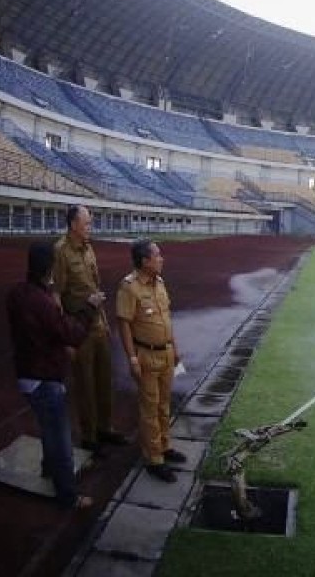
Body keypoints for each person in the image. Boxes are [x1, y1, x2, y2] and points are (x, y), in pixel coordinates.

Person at [7, 241, 96, 509]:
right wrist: (89, 309)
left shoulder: (16, 294)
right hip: (44, 377)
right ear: (50, 267)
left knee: (48, 427)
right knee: (61, 439)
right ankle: (68, 496)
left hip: (26, 373)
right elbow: (71, 334)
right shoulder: (43, 302)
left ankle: (48, 468)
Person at [52, 205, 128, 452]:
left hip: (97, 325)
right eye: (87, 224)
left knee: (105, 380)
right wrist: (66, 339)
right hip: (78, 329)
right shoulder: (60, 252)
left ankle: (106, 428)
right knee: (85, 384)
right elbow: (56, 296)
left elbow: (96, 288)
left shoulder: (89, 249)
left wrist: (104, 322)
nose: (90, 228)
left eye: (90, 224)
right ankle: (89, 436)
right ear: (73, 225)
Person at [116, 238, 186, 483]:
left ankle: (165, 447)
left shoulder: (160, 283)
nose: (161, 258)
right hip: (146, 355)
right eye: (157, 255)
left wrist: (175, 348)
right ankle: (154, 459)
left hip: (166, 353)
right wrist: (132, 358)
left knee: (164, 405)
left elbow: (166, 319)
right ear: (145, 261)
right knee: (149, 409)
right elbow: (124, 324)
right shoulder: (129, 287)